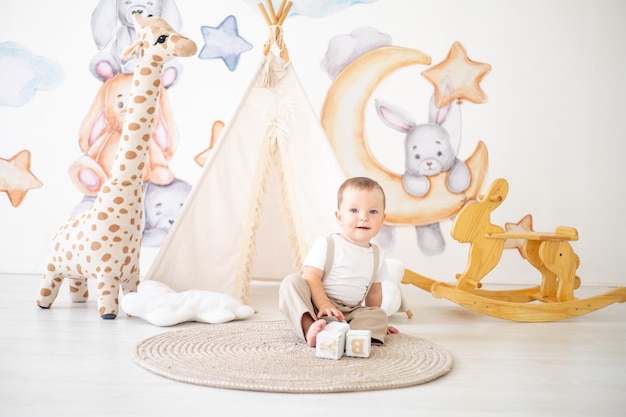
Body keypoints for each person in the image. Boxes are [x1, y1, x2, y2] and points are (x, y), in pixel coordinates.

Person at [279, 176, 400, 347]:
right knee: (291, 283)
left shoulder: (376, 254)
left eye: (373, 212)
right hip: (315, 306)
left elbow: (374, 293)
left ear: (382, 219)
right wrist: (324, 304)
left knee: (378, 314)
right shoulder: (327, 243)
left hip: (350, 313)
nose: (364, 217)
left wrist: (379, 321)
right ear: (339, 217)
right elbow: (311, 277)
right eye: (354, 210)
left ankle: (348, 334)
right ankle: (310, 329)